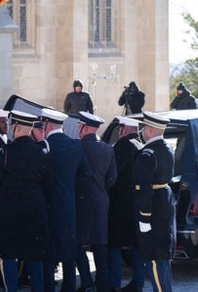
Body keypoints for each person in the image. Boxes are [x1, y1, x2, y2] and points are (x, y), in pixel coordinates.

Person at [0, 110, 51, 292]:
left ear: (15, 127)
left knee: (8, 255)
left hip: (10, 210)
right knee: (34, 256)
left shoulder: (7, 152)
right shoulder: (41, 152)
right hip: (35, 209)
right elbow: (48, 183)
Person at [40, 108, 91, 292]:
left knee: (49, 251)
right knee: (69, 250)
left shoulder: (45, 146)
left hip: (48, 204)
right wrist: (69, 187)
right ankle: (68, 287)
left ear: (46, 124)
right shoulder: (75, 145)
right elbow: (86, 173)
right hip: (69, 203)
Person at [132, 111, 175, 292]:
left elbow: (145, 189)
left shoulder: (147, 155)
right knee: (163, 256)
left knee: (155, 259)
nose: (142, 132)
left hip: (152, 208)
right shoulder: (166, 148)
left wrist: (144, 217)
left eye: (143, 129)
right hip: (164, 203)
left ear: (149, 130)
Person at [75, 111, 117, 292]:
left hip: (79, 200)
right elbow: (112, 178)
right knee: (100, 245)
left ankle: (86, 283)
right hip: (100, 201)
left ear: (84, 127)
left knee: (77, 245)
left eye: (79, 126)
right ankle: (103, 284)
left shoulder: (76, 147)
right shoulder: (108, 149)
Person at [107, 116, 145, 292]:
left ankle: (114, 282)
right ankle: (138, 282)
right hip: (136, 201)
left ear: (123, 129)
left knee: (114, 244)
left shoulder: (122, 146)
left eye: (120, 129)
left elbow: (113, 174)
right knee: (137, 245)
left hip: (120, 202)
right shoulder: (141, 145)